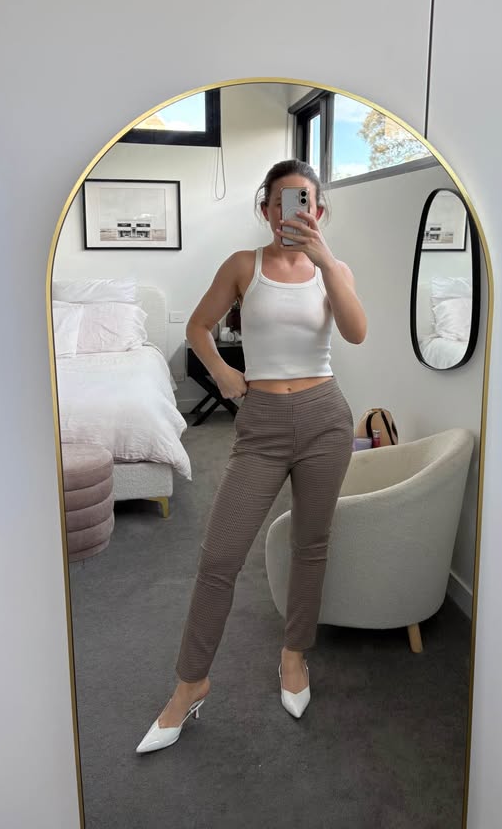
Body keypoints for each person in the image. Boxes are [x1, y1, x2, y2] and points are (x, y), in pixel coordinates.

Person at [136, 159, 367, 753]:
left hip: (325, 418)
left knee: (310, 545)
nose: (295, 212)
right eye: (282, 200)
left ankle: (294, 654)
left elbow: (357, 332)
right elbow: (197, 327)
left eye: (306, 201)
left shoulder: (333, 269)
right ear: (266, 209)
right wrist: (222, 372)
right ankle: (191, 684)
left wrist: (325, 262)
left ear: (319, 210)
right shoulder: (244, 265)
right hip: (261, 422)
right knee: (219, 556)